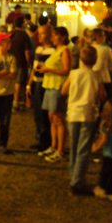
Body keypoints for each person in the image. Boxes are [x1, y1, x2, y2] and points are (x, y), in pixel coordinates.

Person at [62, 45, 106, 195]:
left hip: (73, 113)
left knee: (74, 147)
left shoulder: (74, 73)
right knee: (83, 150)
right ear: (95, 60)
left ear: (81, 59)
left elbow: (64, 90)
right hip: (88, 114)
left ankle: (74, 176)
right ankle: (77, 182)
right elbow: (102, 96)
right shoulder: (96, 76)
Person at [39, 26, 72, 163]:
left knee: (58, 119)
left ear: (63, 37)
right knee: (52, 118)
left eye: (56, 35)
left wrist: (48, 69)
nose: (53, 37)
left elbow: (66, 70)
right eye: (52, 35)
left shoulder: (65, 50)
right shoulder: (56, 50)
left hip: (58, 87)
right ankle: (53, 146)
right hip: (49, 86)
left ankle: (61, 150)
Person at [26, 27, 55, 152]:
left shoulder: (53, 50)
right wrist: (29, 84)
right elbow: (34, 68)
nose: (39, 36)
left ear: (49, 35)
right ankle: (40, 138)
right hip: (37, 83)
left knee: (45, 113)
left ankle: (46, 140)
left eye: (42, 34)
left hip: (46, 83)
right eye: (39, 34)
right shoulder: (39, 49)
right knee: (37, 112)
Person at [9, 16, 32, 110]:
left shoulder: (9, 34)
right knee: (18, 82)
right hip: (20, 61)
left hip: (9, 61)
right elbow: (27, 51)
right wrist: (29, 62)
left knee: (11, 81)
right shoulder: (24, 34)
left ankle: (10, 101)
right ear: (22, 24)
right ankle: (16, 102)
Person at [91, 28, 112, 102]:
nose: (105, 37)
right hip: (104, 78)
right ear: (98, 37)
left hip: (91, 78)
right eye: (103, 35)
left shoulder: (87, 49)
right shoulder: (105, 49)